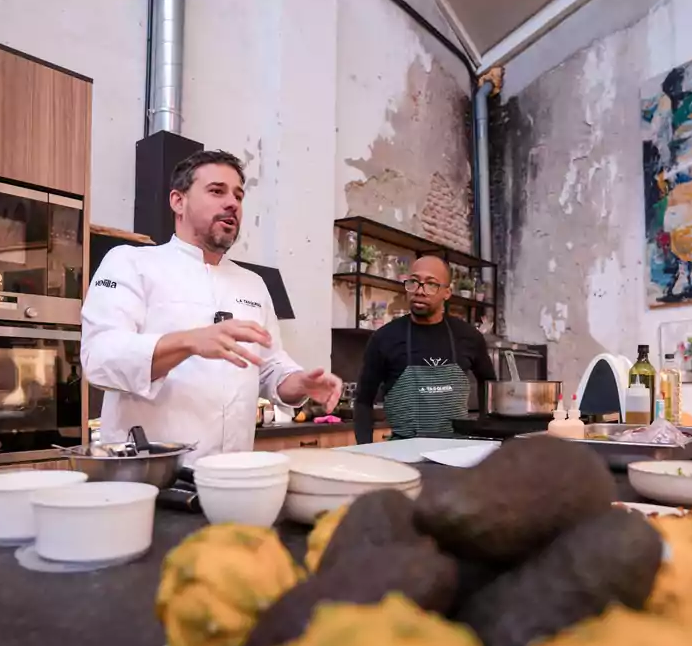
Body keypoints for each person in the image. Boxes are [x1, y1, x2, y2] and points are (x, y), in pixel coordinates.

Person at [81, 150, 342, 459]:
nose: (232, 203)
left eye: (238, 195)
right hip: (149, 476)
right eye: (217, 191)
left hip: (229, 476)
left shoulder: (253, 284)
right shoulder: (129, 262)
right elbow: (99, 359)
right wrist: (189, 341)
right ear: (178, 201)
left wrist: (299, 383)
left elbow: (269, 366)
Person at [353, 255, 495, 443]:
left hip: (457, 453)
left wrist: (486, 433)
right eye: (414, 282)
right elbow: (363, 401)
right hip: (402, 455)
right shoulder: (384, 338)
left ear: (447, 292)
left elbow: (489, 386)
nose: (420, 291)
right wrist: (365, 450)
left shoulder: (469, 336)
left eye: (431, 284)